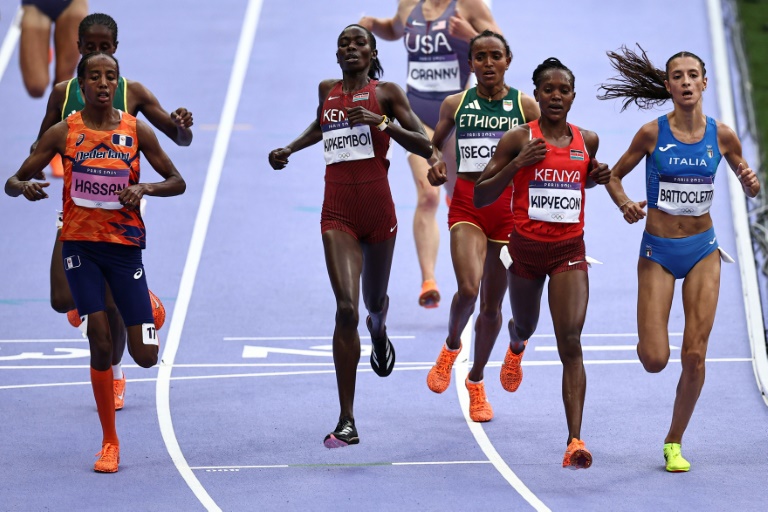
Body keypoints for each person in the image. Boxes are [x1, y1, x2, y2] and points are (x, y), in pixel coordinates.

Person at [6, 51, 186, 473]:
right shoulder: (62, 132)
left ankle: (148, 301)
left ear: (116, 84)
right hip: (81, 248)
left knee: (145, 356)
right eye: (94, 77)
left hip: (124, 251)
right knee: (100, 339)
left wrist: (145, 190)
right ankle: (109, 442)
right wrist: (23, 187)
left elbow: (177, 181)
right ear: (82, 86)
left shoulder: (135, 129)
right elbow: (13, 180)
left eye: (110, 77)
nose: (103, 83)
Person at [268, 24, 432, 448]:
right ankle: (347, 419)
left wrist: (383, 123)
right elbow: (321, 125)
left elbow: (424, 145)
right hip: (336, 212)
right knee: (346, 308)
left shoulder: (388, 93)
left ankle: (379, 329)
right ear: (337, 55)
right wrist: (288, 148)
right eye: (344, 43)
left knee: (373, 303)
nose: (351, 47)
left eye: (359, 42)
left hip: (378, 214)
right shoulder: (327, 89)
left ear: (372, 51)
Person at [598, 45, 760, 472]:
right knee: (655, 359)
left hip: (703, 250)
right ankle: (648, 337)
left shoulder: (721, 135)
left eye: (693, 75)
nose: (686, 82)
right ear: (668, 85)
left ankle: (674, 440)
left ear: (704, 83)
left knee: (695, 355)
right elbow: (613, 176)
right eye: (678, 76)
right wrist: (625, 204)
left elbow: (750, 185)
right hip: (658, 252)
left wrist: (750, 182)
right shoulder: (652, 134)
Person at [33, 12, 194, 411]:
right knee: (59, 299)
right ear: (79, 50)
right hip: (76, 213)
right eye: (91, 48)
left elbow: (178, 139)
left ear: (115, 50)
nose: (98, 55)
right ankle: (147, 300)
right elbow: (41, 144)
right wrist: (30, 172)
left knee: (110, 306)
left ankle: (117, 375)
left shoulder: (132, 92)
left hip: (120, 216)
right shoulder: (63, 92)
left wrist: (182, 125)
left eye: (106, 48)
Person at [474, 57, 611, 468]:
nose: (555, 95)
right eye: (547, 89)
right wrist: (518, 163)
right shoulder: (518, 138)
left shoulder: (588, 140)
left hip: (570, 251)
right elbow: (481, 194)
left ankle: (575, 440)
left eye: (563, 89)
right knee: (527, 324)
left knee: (570, 339)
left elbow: (576, 175)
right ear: (536, 95)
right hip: (526, 253)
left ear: (573, 95)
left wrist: (594, 178)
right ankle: (516, 346)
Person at [423, 30, 539, 422]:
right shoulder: (456, 103)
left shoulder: (526, 106)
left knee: (492, 307)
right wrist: (435, 162)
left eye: (496, 56)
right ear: (470, 64)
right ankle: (452, 345)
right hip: (468, 207)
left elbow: (550, 148)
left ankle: (475, 381)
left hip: (509, 214)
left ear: (508, 60)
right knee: (468, 290)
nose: (488, 63)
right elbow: (434, 144)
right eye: (481, 57)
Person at [360, 0, 501, 308]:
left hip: (454, 117)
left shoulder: (468, 5)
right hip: (415, 116)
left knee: (464, 196)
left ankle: (466, 222)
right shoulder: (408, 5)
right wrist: (374, 24)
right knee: (427, 195)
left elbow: (501, 49)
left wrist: (469, 36)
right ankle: (429, 280)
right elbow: (394, 29)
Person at [19, 0, 88, 98]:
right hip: (35, 4)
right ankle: (46, 52)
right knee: (36, 87)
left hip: (72, 4)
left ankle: (58, 111)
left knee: (63, 83)